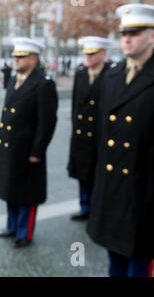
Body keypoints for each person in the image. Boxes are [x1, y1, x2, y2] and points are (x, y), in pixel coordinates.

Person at [87, 3, 154, 277]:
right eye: (124, 32)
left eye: (135, 32)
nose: (126, 38)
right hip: (113, 189)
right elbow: (103, 136)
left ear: (152, 36)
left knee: (139, 263)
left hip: (145, 193)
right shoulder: (112, 75)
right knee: (114, 261)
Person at [0, 38, 58, 248]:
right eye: (15, 56)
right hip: (11, 148)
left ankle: (24, 233)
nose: (16, 60)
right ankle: (12, 226)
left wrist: (38, 150)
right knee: (11, 190)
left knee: (26, 194)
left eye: (21, 57)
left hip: (28, 151)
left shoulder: (43, 83)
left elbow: (47, 122)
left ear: (34, 59)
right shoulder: (14, 79)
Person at [67, 36, 112, 221]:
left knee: (98, 175)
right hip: (81, 133)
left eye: (93, 54)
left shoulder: (111, 74)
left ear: (103, 54)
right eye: (87, 54)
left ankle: (98, 209)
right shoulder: (81, 73)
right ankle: (85, 206)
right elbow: (75, 103)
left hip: (100, 133)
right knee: (83, 173)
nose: (89, 58)